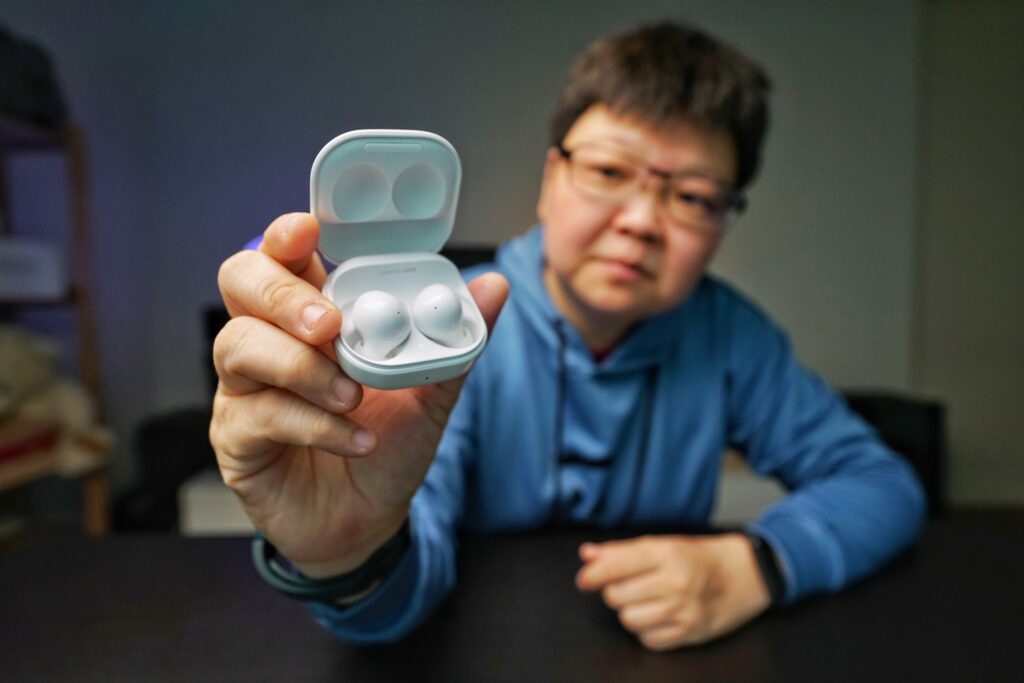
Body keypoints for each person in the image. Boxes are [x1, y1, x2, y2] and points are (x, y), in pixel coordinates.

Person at [210, 20, 925, 651]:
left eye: (695, 197)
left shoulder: (730, 336)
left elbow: (882, 484)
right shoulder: (455, 327)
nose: (641, 221)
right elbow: (400, 590)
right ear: (552, 177)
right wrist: (348, 555)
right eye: (610, 171)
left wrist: (757, 564)